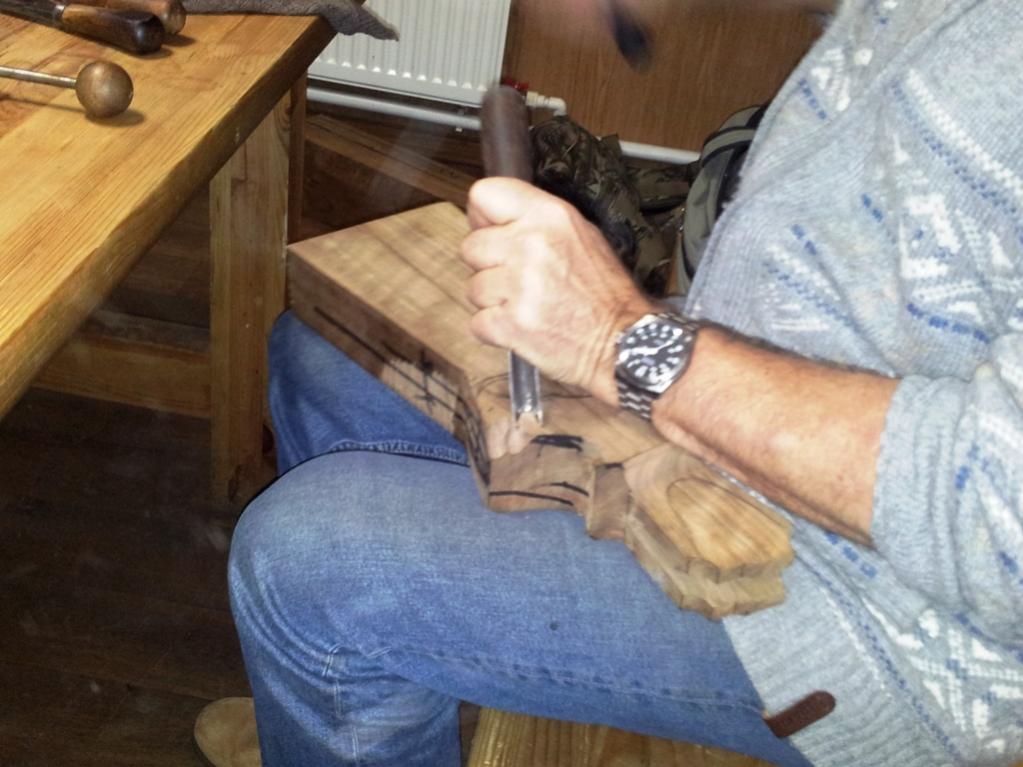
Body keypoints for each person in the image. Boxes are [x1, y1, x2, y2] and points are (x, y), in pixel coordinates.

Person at [198, 1, 1023, 765]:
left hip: (876, 621)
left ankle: (346, 656)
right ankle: (360, 701)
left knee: (304, 566)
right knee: (323, 354)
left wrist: (617, 339)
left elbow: (999, 527)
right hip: (757, 410)